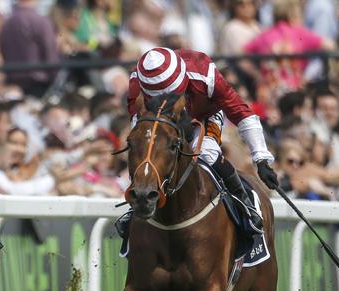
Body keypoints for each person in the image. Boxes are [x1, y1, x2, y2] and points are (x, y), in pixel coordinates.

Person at [117, 47, 279, 240]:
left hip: (205, 116)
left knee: (206, 154)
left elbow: (241, 112)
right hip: (161, 123)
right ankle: (136, 208)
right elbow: (138, 125)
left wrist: (260, 158)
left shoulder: (204, 73)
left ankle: (244, 204)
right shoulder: (137, 81)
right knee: (148, 152)